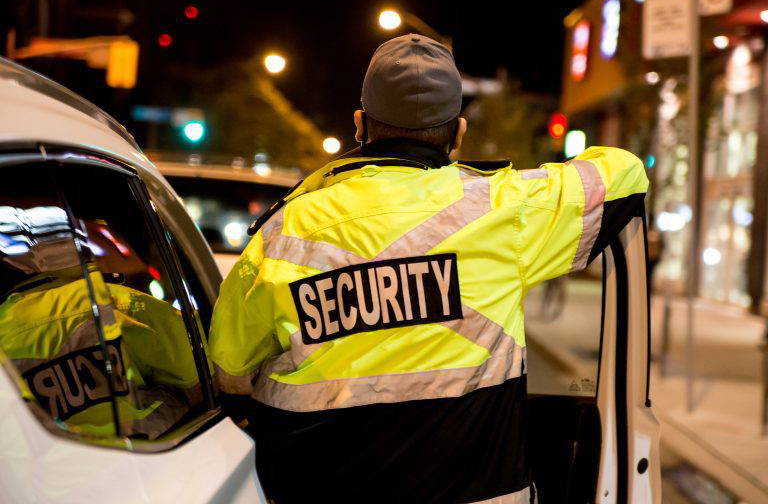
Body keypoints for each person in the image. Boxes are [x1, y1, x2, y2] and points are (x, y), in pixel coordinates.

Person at [210, 34, 648, 503]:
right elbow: (624, 173)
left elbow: (228, 370)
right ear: (458, 133)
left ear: (360, 125)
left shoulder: (284, 231)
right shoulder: (505, 210)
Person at [0, 205, 201, 439]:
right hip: (143, 453)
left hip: (57, 469)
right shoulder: (120, 302)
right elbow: (199, 379)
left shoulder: (5, 328)